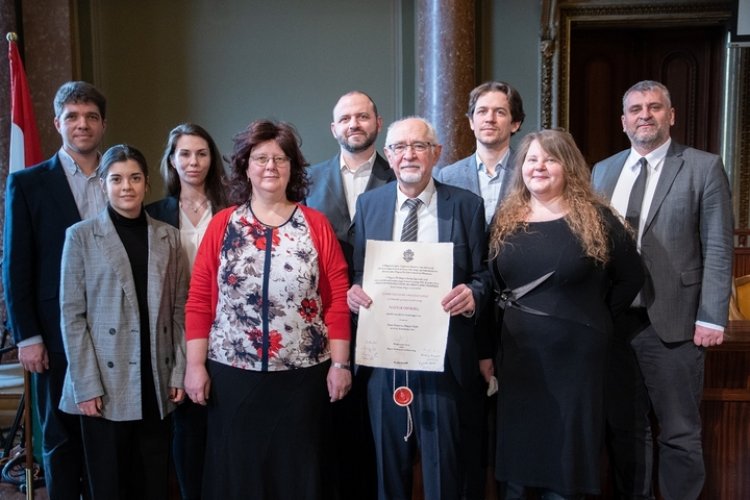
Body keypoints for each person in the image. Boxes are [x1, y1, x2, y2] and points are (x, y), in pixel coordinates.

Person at [184, 119, 352, 499]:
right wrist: (195, 366)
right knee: (237, 473)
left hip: (303, 378)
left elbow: (337, 298)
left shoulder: (316, 225)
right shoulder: (223, 224)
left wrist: (340, 365)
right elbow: (198, 300)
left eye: (280, 158)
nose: (270, 166)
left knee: (298, 473)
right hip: (233, 376)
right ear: (246, 165)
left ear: (292, 166)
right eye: (261, 158)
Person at [592, 80, 733, 500]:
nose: (645, 115)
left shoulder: (702, 166)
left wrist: (711, 315)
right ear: (623, 121)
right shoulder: (604, 170)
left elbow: (719, 246)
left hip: (674, 322)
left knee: (679, 432)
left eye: (654, 107)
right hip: (615, 322)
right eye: (635, 109)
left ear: (671, 116)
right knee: (626, 429)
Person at [489, 129, 643, 499]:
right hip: (519, 358)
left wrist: (589, 317)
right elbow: (494, 283)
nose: (539, 166)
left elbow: (631, 277)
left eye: (550, 159)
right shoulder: (505, 219)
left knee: (568, 456)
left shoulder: (599, 219)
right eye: (531, 159)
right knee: (521, 451)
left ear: (568, 165)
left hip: (577, 361)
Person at [347, 116, 490, 499]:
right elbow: (360, 270)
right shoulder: (369, 204)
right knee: (387, 473)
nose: (408, 155)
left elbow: (485, 275)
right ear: (389, 156)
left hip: (443, 360)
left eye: (419, 146)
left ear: (436, 153)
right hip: (384, 357)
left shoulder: (466, 206)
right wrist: (355, 292)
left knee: (444, 473)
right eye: (399, 147)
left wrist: (473, 294)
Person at [58, 144, 187, 499]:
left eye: (134, 178)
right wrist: (86, 386)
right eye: (116, 179)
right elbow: (72, 315)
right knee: (109, 484)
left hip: (155, 378)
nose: (126, 187)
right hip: (103, 382)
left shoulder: (169, 237)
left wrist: (178, 372)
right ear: (103, 184)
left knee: (152, 482)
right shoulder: (80, 236)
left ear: (147, 184)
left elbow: (180, 308)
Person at [3, 80, 107, 498]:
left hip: (113, 327)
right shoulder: (28, 184)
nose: (82, 125)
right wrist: (27, 336)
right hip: (53, 332)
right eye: (73, 117)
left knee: (108, 433)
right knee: (61, 435)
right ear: (57, 123)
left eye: (91, 117)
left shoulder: (121, 177)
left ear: (103, 124)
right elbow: (16, 265)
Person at [434, 80, 526, 499]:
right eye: (482, 112)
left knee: (515, 420)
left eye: (500, 111)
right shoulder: (445, 176)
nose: (490, 118)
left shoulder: (533, 171)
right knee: (468, 420)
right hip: (464, 313)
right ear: (470, 122)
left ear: (515, 122)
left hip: (520, 313)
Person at [305, 90, 395, 499]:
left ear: (377, 123)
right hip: (328, 319)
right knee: (333, 423)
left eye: (362, 117)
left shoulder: (400, 172)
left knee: (380, 426)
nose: (354, 124)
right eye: (345, 119)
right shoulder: (308, 180)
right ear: (333, 128)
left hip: (389, 316)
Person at [146, 123, 228, 500]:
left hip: (228, 326)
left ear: (212, 159)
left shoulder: (232, 209)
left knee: (225, 423)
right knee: (187, 424)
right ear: (172, 161)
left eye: (201, 153)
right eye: (185, 154)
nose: (193, 162)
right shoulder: (155, 213)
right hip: (176, 330)